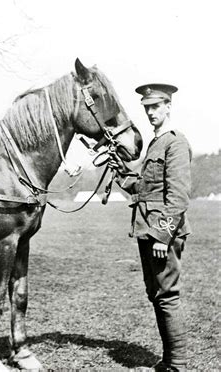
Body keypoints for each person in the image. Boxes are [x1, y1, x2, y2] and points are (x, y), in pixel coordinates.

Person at [108, 83, 192, 371]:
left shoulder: (175, 141)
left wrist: (163, 235)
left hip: (161, 234)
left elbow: (178, 196)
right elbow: (144, 187)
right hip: (146, 229)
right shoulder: (156, 142)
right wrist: (120, 170)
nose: (150, 112)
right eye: (146, 108)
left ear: (168, 106)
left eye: (156, 106)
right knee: (156, 295)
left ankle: (177, 365)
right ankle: (169, 361)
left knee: (167, 296)